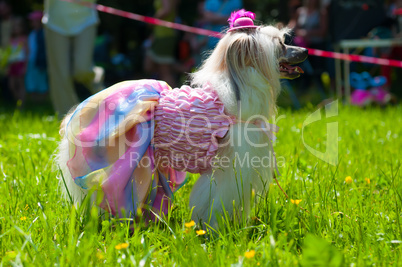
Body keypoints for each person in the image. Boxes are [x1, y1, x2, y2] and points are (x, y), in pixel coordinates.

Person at [43, 0, 99, 116]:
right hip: (55, 22)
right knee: (60, 74)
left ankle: (97, 80)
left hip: (86, 20)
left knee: (82, 69)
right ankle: (68, 117)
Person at [144, 0, 179, 87]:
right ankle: (183, 68)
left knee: (165, 72)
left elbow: (166, 10)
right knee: (149, 65)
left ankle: (174, 97)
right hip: (161, 35)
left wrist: (152, 21)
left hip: (164, 35)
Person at [25, 11, 48, 102]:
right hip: (32, 61)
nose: (32, 23)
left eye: (34, 21)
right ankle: (34, 101)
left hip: (41, 61)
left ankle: (43, 101)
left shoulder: (44, 34)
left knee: (42, 81)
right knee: (32, 81)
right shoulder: (32, 34)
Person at [7, 16, 27, 106]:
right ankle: (18, 100)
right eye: (14, 27)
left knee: (20, 84)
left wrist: (25, 66)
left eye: (18, 26)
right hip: (12, 64)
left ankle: (21, 104)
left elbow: (27, 52)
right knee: (12, 85)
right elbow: (9, 52)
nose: (16, 29)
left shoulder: (24, 39)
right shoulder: (11, 40)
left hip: (20, 63)